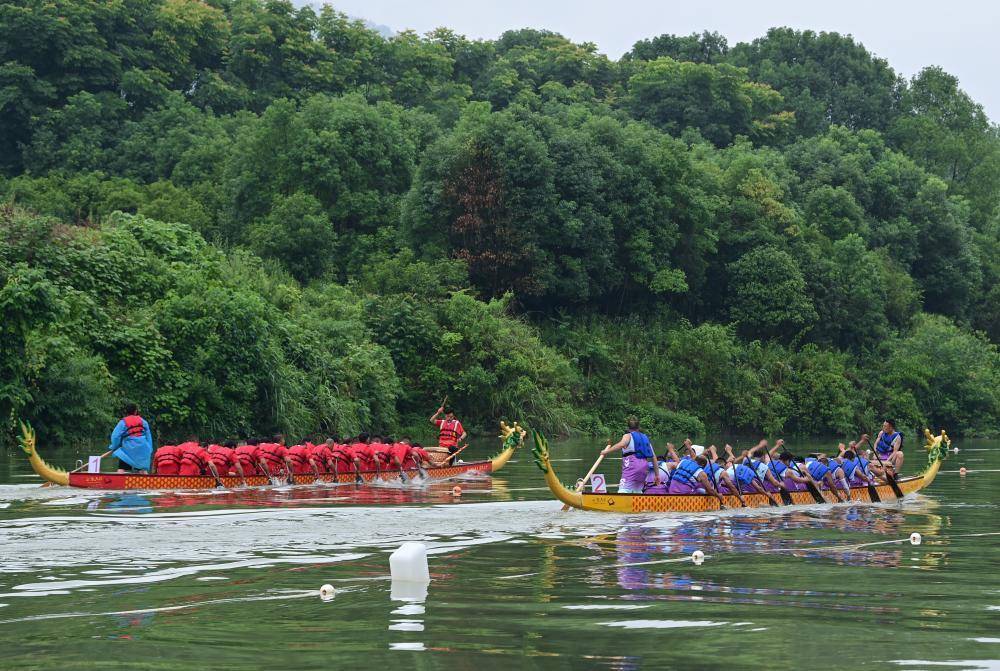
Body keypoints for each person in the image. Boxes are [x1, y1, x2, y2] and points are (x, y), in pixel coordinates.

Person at [601, 418, 661, 493]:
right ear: (639, 427)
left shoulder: (628, 436)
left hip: (632, 466)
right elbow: (653, 457)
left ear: (628, 428)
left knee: (624, 489)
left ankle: (619, 502)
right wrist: (657, 475)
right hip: (644, 467)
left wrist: (606, 451)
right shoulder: (645, 438)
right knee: (637, 490)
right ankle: (638, 502)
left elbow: (621, 444)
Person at [107, 403, 153, 473]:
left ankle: (118, 481)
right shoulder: (144, 422)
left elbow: (115, 436)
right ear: (136, 411)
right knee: (142, 470)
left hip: (127, 450)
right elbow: (148, 437)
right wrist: (149, 449)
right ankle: (145, 482)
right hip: (142, 449)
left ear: (126, 412)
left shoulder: (123, 422)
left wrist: (114, 446)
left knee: (121, 469)